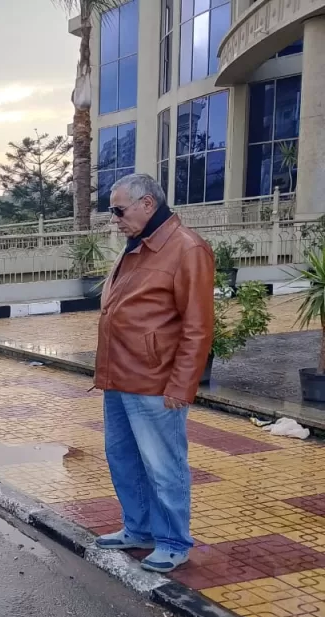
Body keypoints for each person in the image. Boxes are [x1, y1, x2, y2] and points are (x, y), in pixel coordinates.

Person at [93, 173, 214, 573]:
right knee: (123, 459)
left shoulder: (186, 248)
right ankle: (138, 528)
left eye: (119, 209)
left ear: (148, 204)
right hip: (119, 377)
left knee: (164, 466)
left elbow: (198, 327)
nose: (115, 218)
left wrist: (181, 386)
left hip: (156, 382)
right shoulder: (137, 246)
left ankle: (173, 541)